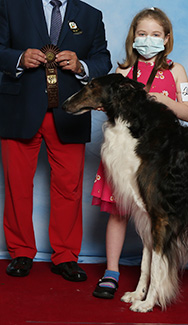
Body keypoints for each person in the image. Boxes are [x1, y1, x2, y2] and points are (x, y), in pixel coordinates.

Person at [0, 0, 112, 281]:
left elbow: (103, 59)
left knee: (69, 188)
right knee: (17, 185)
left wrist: (81, 65)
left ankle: (65, 256)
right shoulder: (10, 6)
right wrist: (18, 58)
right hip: (20, 109)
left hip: (70, 112)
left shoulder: (91, 15)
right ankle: (21, 252)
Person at [91, 7, 188, 299]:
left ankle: (155, 274)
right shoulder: (122, 73)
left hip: (158, 156)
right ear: (133, 37)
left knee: (155, 214)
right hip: (124, 156)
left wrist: (163, 100)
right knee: (117, 211)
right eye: (142, 34)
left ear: (166, 38)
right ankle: (111, 271)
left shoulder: (176, 71)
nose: (148, 40)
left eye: (155, 35)